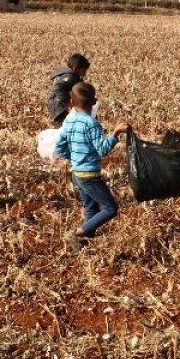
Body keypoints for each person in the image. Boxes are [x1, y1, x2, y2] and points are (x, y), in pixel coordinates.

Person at [52, 82, 130, 249]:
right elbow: (102, 149)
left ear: (71, 103)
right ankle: (79, 232)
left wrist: (73, 158)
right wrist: (116, 133)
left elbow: (59, 147)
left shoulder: (69, 122)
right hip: (89, 176)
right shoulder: (91, 123)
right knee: (111, 208)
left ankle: (85, 243)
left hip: (76, 174)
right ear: (94, 101)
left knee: (91, 207)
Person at [47, 53, 90, 126]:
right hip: (59, 107)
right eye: (83, 70)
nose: (85, 73)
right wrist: (66, 102)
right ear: (76, 69)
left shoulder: (73, 77)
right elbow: (58, 87)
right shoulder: (70, 77)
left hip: (59, 105)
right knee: (63, 126)